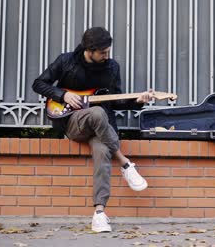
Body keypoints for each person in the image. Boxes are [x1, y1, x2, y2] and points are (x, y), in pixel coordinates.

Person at [32, 27, 152, 233]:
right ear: (90, 49)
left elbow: (116, 101)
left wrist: (138, 102)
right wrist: (62, 95)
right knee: (96, 112)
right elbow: (38, 83)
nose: (107, 56)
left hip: (101, 128)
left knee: (102, 152)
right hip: (72, 121)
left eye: (108, 51)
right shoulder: (66, 61)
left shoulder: (112, 67)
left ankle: (99, 214)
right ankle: (125, 163)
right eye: (103, 52)